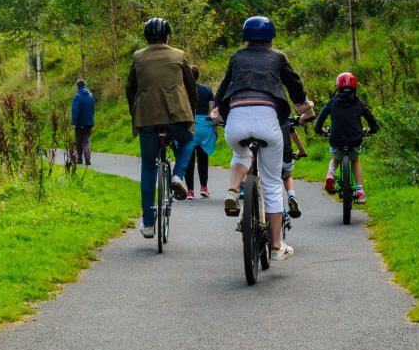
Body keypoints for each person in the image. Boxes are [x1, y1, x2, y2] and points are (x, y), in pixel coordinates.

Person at [213, 16, 314, 261]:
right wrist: (304, 108)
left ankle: (232, 189)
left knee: (241, 153)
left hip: (236, 119)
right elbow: (295, 84)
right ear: (271, 38)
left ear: (245, 38)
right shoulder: (278, 57)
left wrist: (217, 111)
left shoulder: (236, 57)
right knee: (270, 182)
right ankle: (277, 245)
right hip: (268, 120)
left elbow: (223, 88)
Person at [125, 17, 198, 239]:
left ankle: (148, 224)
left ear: (147, 37)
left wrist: (134, 113)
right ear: (168, 36)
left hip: (147, 119)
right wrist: (191, 114)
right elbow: (191, 87)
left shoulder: (138, 57)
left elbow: (130, 88)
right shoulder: (178, 55)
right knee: (187, 140)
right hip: (177, 116)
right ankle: (177, 175)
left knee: (148, 167)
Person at [315, 72, 379, 205]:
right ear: (354, 88)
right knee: (355, 159)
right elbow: (372, 121)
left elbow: (319, 121)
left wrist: (320, 130)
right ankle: (360, 191)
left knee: (335, 158)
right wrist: (372, 130)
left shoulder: (332, 102)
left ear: (337, 87)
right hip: (354, 140)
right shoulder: (359, 103)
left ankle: (330, 174)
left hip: (336, 140)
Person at [185, 65, 216, 199]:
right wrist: (214, 128)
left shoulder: (182, 90)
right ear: (198, 76)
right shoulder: (207, 89)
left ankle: (190, 191)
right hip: (204, 127)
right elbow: (212, 111)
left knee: (189, 160)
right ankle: (204, 187)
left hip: (190, 126)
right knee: (203, 158)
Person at [71, 79, 96, 166]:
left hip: (79, 123)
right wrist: (91, 120)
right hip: (89, 123)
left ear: (78, 86)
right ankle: (87, 158)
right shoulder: (90, 95)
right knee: (86, 140)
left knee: (78, 141)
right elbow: (93, 109)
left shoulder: (77, 96)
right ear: (84, 85)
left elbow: (75, 111)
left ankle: (80, 159)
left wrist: (74, 122)